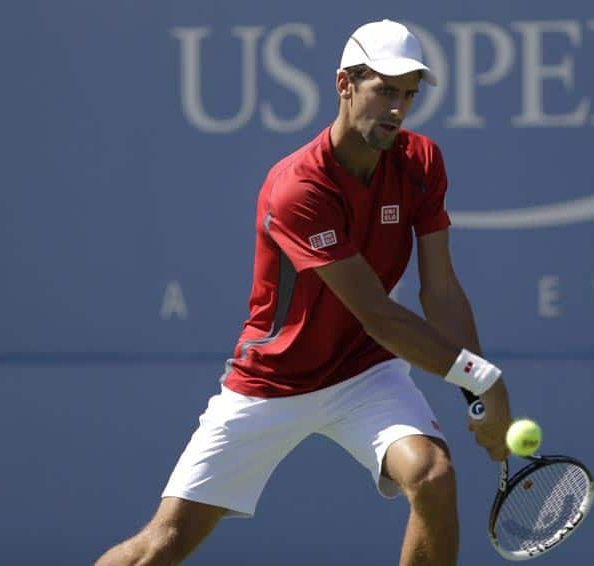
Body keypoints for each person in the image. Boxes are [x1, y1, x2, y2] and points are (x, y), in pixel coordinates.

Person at [95, 19, 512, 566]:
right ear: (344, 85)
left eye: (408, 94)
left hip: (365, 373)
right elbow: (378, 316)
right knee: (163, 545)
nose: (397, 108)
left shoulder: (420, 162)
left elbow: (441, 290)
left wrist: (476, 393)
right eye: (384, 89)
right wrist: (481, 377)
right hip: (273, 380)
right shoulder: (297, 187)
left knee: (433, 477)